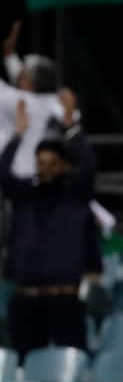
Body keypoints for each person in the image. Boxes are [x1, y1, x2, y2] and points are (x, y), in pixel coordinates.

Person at [1, 99, 96, 355]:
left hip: (63, 298)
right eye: (41, 163)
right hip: (26, 299)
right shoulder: (25, 196)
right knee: (25, 366)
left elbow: (87, 168)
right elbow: (4, 174)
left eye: (53, 163)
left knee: (72, 363)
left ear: (64, 166)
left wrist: (71, 127)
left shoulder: (75, 197)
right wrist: (17, 135)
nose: (46, 169)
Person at [0, 21, 66, 180]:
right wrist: (9, 52)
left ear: (31, 83)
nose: (20, 72)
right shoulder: (55, 102)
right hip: (41, 174)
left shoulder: (20, 101)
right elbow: (20, 75)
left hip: (17, 174)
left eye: (25, 72)